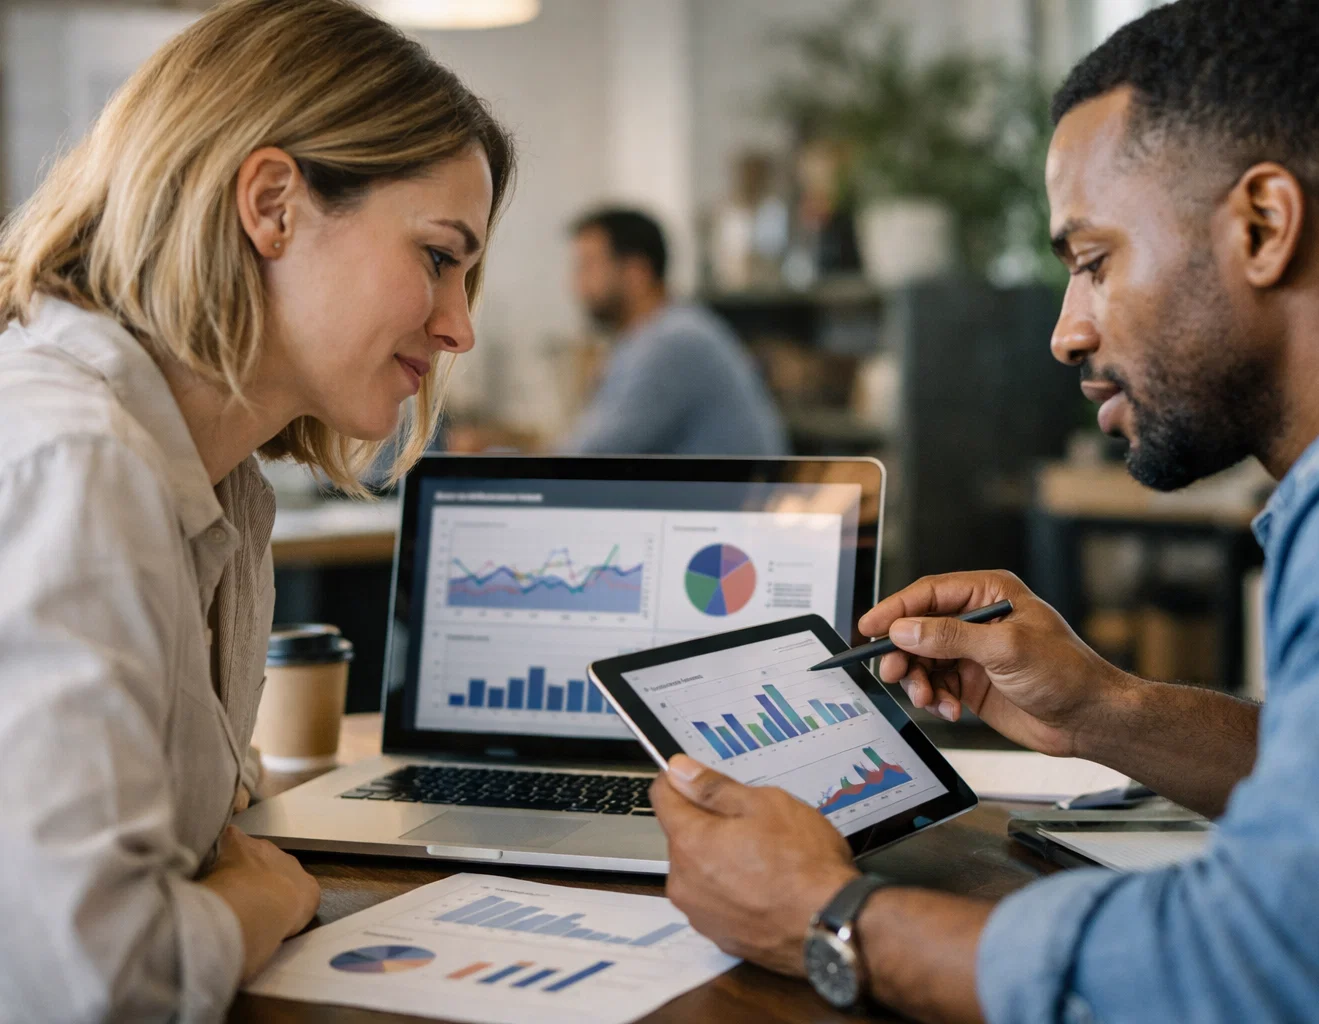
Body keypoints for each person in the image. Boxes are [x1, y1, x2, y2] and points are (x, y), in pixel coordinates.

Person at [647, 1, 1319, 1021]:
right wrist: (1101, 708)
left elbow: (1287, 970)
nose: (1068, 332)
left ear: (1262, 225)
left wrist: (827, 914)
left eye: (1094, 261)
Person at [0, 1, 514, 1019]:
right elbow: (90, 978)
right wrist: (265, 897)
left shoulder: (223, 484)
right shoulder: (78, 464)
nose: (458, 327)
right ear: (272, 204)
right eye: (437, 257)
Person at [562, 207, 788, 455]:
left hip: (733, 494)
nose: (577, 284)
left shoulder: (672, 342)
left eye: (588, 266)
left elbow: (590, 456)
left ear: (637, 273)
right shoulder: (649, 335)